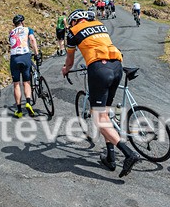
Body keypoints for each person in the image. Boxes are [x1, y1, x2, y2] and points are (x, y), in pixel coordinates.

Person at [61, 9, 142, 177]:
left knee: (98, 119)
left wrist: (66, 69)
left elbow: (70, 59)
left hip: (99, 68)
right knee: (105, 114)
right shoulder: (99, 25)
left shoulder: (73, 31)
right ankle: (110, 157)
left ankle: (128, 154)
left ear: (74, 21)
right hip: (117, 65)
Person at [9, 14, 41, 118]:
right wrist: (36, 54)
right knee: (26, 82)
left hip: (14, 58)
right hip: (25, 56)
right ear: (22, 22)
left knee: (16, 84)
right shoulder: (28, 29)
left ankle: (19, 110)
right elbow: (32, 40)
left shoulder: (11, 32)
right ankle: (28, 102)